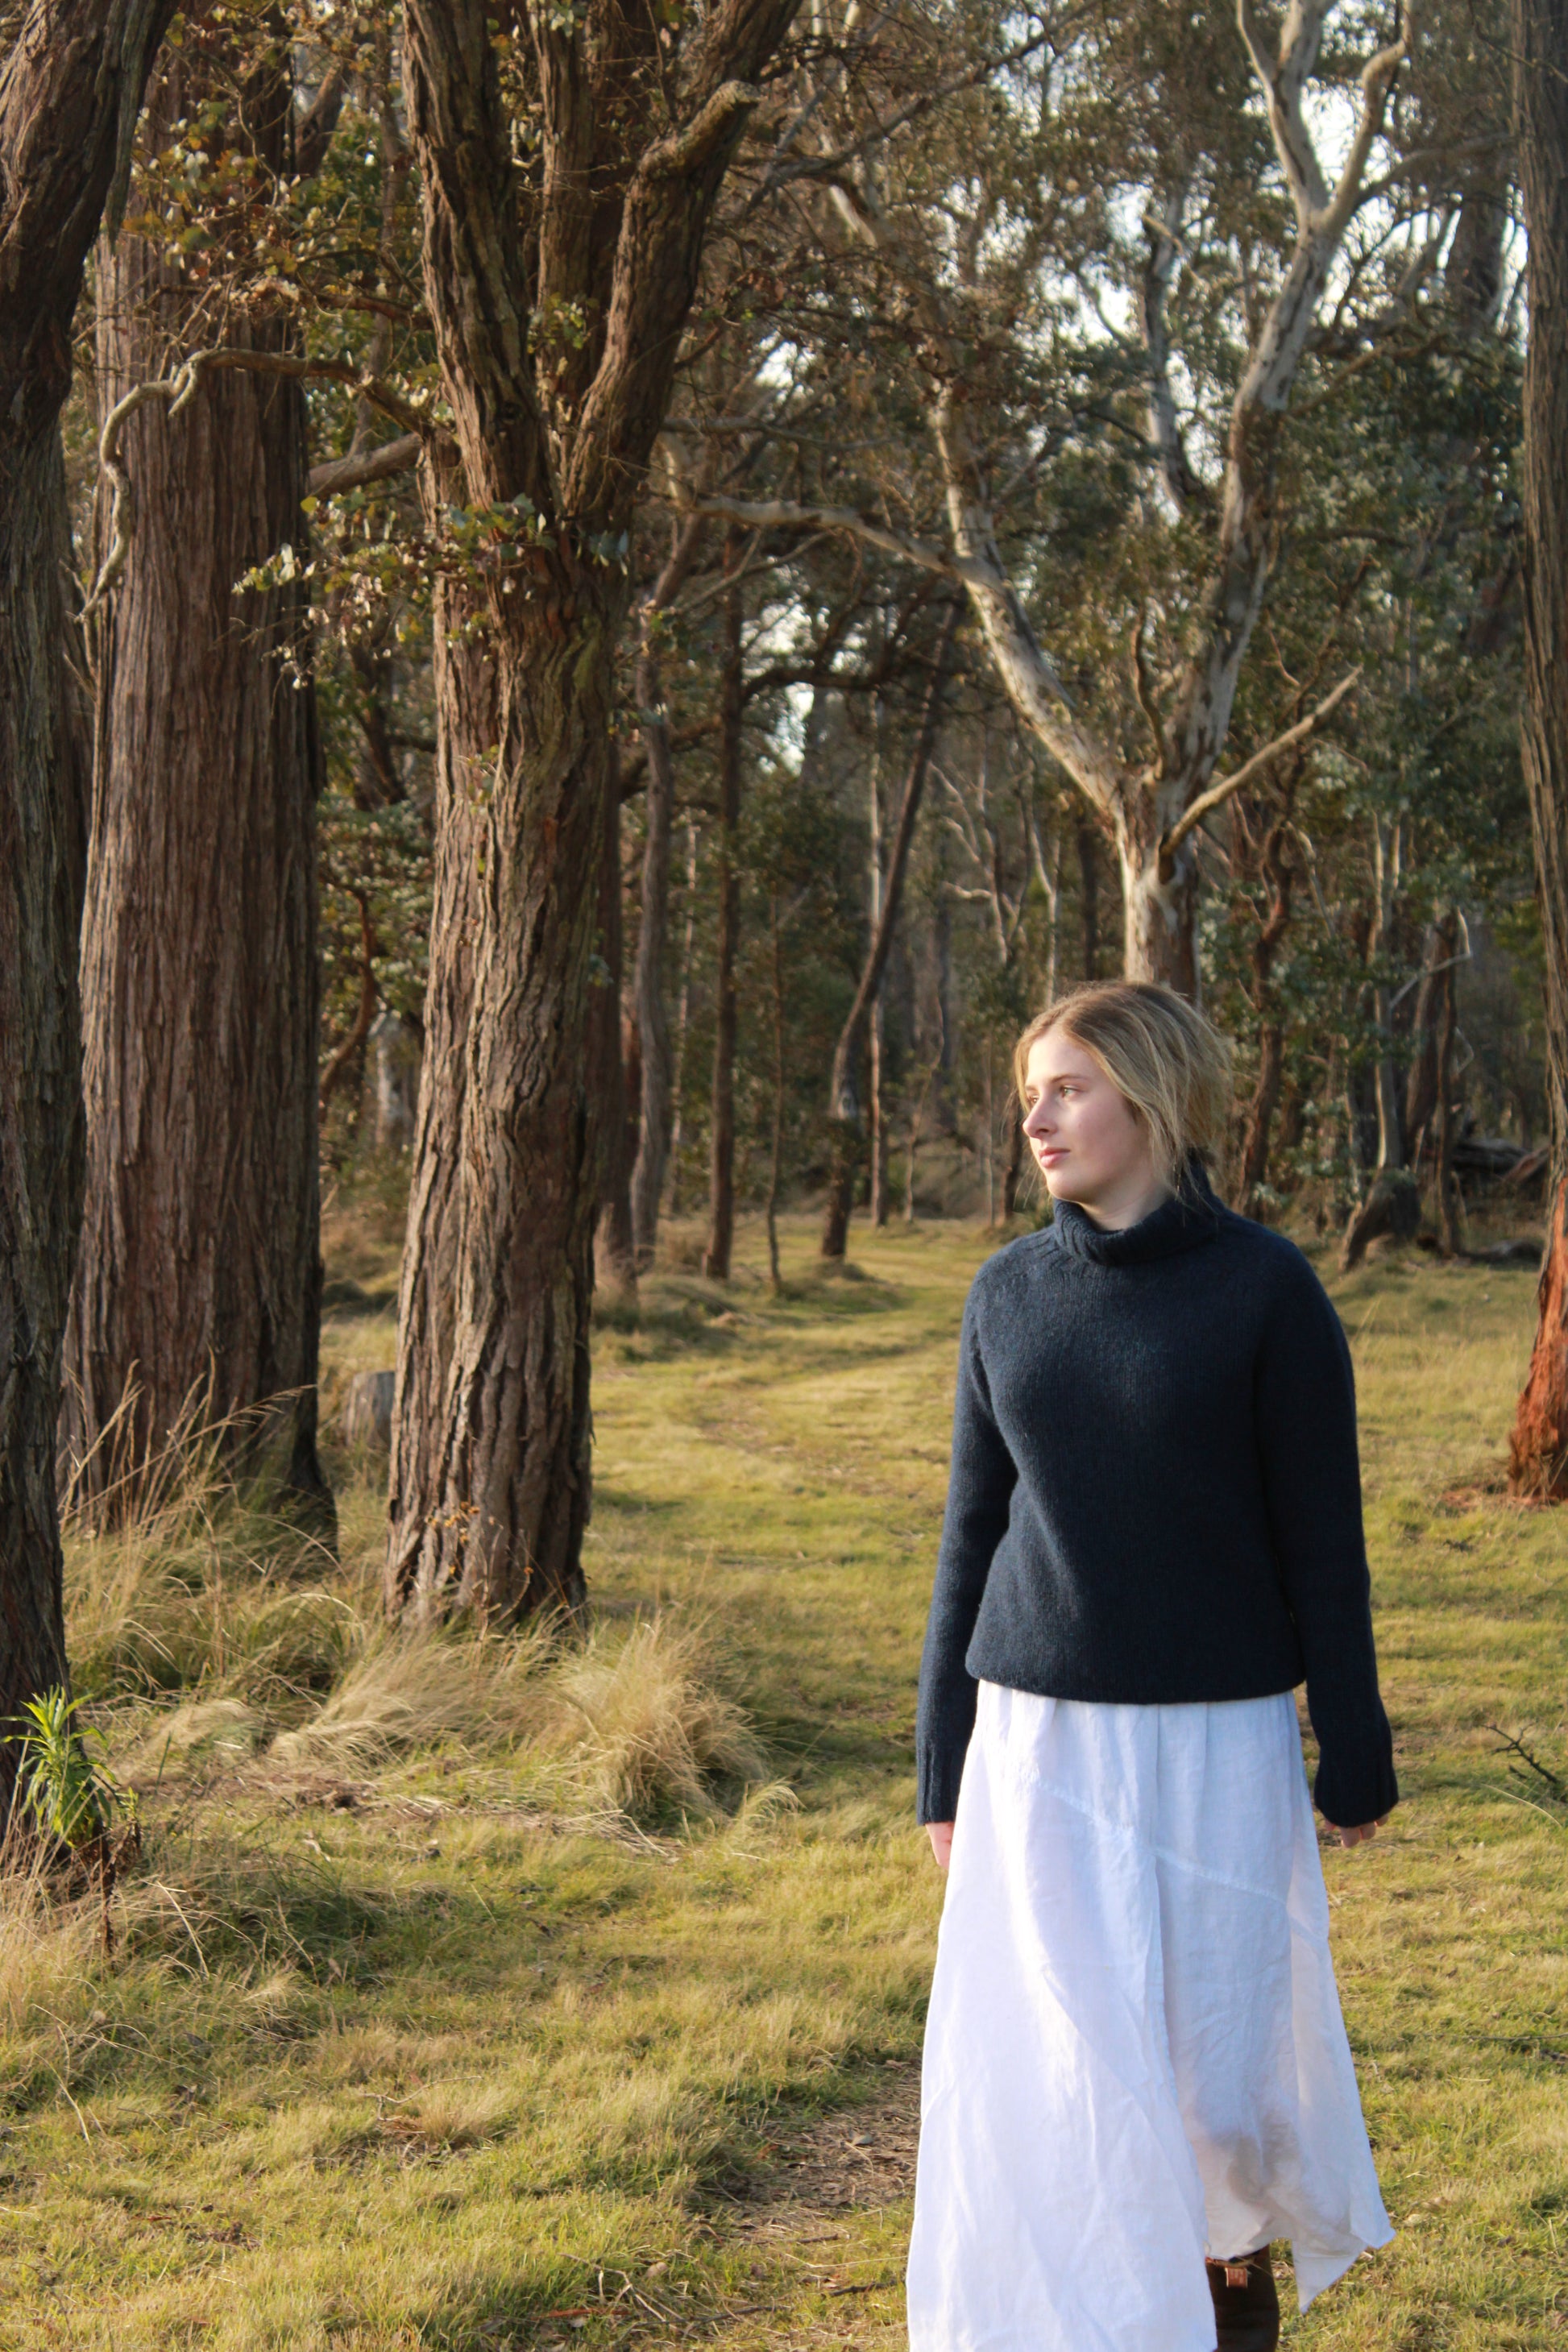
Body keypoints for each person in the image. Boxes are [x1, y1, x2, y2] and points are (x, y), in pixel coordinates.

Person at [907, 981, 1396, 2352]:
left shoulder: (1264, 1293)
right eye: (1026, 1092)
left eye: (1065, 1086)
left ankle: (1217, 2310)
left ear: (1149, 1094)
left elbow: (1323, 1549)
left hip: (1215, 1745)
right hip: (1037, 1746)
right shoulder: (1007, 1293)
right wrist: (943, 1770)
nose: (1035, 1116)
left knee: (1212, 2075)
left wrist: (1350, 1750)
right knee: (1055, 2068)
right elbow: (969, 1538)